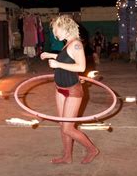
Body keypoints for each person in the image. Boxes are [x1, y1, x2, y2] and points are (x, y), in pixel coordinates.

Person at [40, 15, 99, 164]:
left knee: (68, 128)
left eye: (56, 30)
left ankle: (92, 149)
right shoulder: (68, 44)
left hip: (73, 91)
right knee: (63, 126)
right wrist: (50, 55)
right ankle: (67, 156)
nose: (55, 34)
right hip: (60, 89)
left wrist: (58, 65)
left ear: (65, 28)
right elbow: (65, 58)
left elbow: (81, 66)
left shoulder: (76, 44)